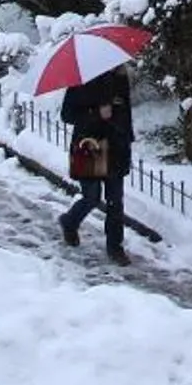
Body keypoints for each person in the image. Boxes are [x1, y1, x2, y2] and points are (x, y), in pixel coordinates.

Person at [59, 64, 133, 264]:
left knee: (115, 201)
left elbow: (126, 110)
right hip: (89, 144)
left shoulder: (120, 77)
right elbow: (67, 115)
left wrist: (126, 136)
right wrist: (96, 113)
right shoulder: (82, 79)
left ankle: (115, 247)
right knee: (91, 197)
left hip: (116, 145)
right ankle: (70, 221)